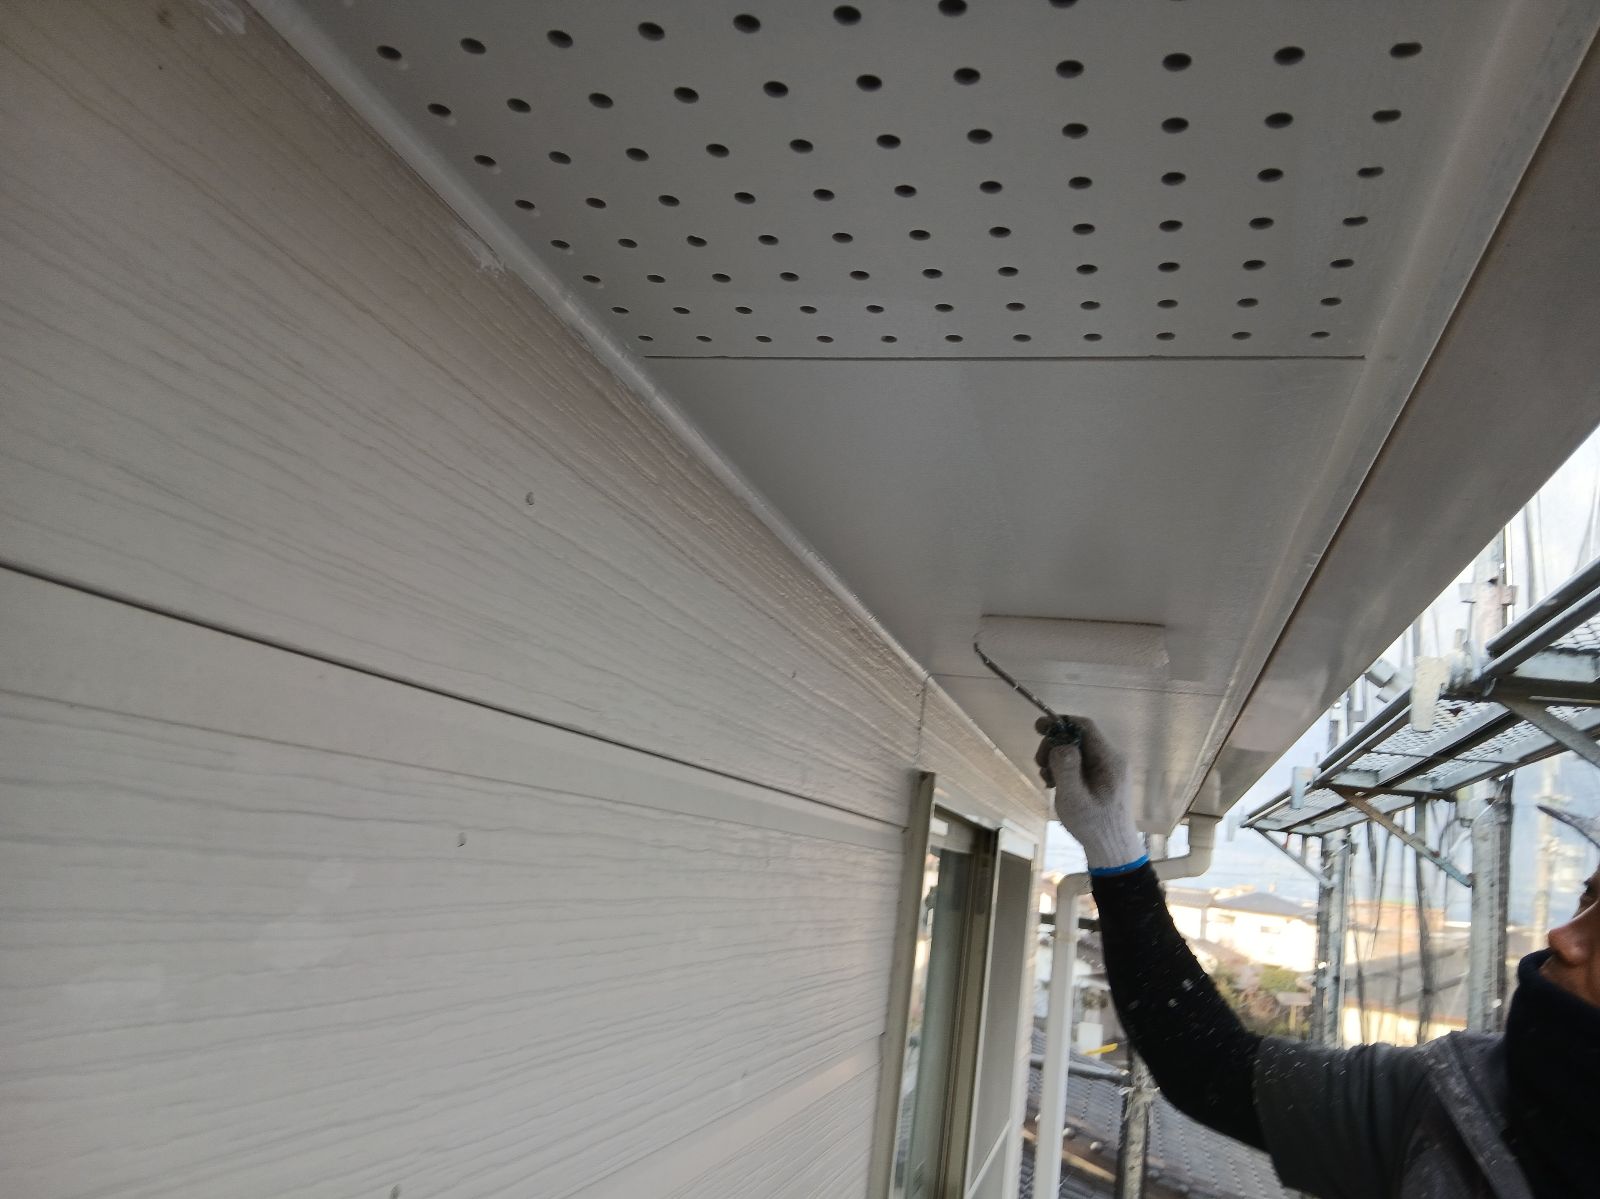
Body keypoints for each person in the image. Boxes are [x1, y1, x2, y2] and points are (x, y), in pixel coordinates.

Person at [1036, 716, 1600, 1199]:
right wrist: (1113, 845)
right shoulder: (1453, 1096)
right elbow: (1213, 1068)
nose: (1562, 937)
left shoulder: (1455, 1103)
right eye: (1587, 898)